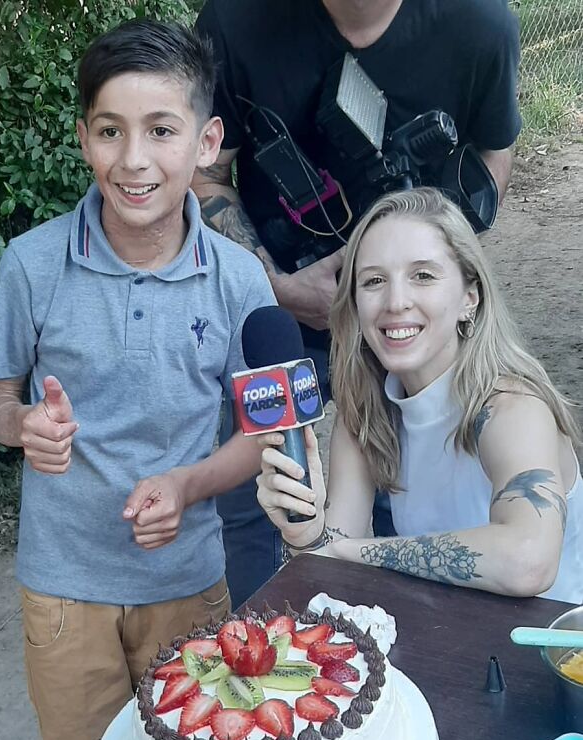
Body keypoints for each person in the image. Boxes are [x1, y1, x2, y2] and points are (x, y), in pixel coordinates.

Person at [0, 20, 275, 740]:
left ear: (206, 143)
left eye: (161, 130)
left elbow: (262, 434)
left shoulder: (240, 279)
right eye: (111, 131)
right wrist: (21, 425)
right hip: (63, 590)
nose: (133, 159)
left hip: (189, 583)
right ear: (84, 139)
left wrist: (187, 485)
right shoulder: (32, 265)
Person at [193, 0, 523, 603]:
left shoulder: (479, 23)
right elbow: (207, 173)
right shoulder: (235, 21)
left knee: (420, 502)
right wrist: (280, 287)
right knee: (265, 503)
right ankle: (270, 646)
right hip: (283, 325)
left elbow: (492, 159)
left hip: (414, 339)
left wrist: (421, 284)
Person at [256, 187, 582, 602]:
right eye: (374, 281)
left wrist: (352, 552)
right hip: (446, 634)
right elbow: (329, 567)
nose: (396, 302)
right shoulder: (365, 414)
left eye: (423, 275)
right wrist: (305, 534)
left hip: (553, 642)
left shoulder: (512, 410)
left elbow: (528, 561)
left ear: (470, 298)